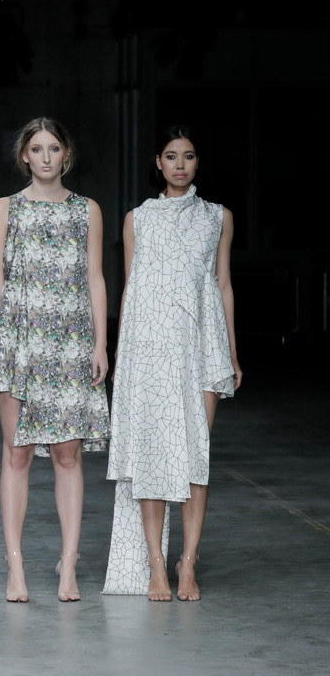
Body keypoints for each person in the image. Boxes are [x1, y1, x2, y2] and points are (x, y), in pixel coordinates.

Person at [0, 117, 109, 603]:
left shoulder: (87, 210)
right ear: (25, 155)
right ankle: (16, 565)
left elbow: (95, 278)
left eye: (54, 148)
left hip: (71, 342)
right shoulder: (4, 208)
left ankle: (69, 564)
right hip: (17, 338)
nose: (46, 157)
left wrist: (101, 344)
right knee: (17, 452)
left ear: (66, 154)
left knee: (67, 455)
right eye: (37, 148)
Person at [103, 126, 242, 601]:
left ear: (197, 162)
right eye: (170, 156)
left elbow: (222, 284)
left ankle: (188, 563)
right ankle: (155, 566)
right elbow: (132, 287)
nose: (180, 164)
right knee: (152, 455)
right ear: (158, 163)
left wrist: (232, 352)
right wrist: (121, 353)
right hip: (150, 346)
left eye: (188, 156)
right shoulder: (137, 219)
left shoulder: (218, 217)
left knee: (195, 458)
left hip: (203, 345)